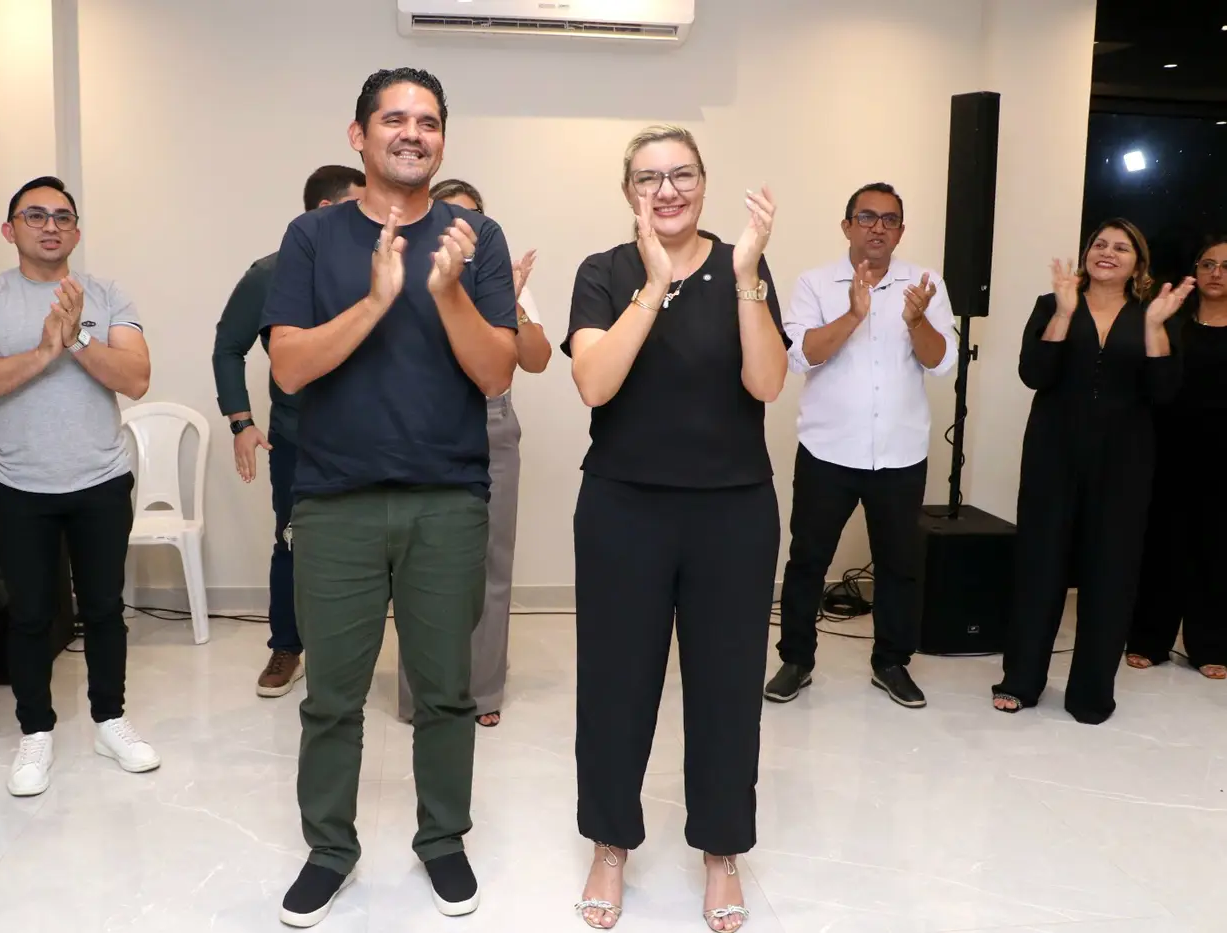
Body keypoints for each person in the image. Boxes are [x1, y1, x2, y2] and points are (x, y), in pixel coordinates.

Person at [261, 68, 517, 927]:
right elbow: (289, 367)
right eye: (395, 118)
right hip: (335, 500)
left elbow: (495, 372)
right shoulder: (312, 236)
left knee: (445, 691)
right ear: (359, 135)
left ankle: (442, 838)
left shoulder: (476, 237)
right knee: (332, 696)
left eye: (429, 121)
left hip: (447, 498)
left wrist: (445, 291)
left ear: (443, 137)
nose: (413, 132)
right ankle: (330, 849)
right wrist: (376, 302)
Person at [564, 125, 787, 933]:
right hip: (624, 508)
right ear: (628, 191)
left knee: (727, 687)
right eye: (649, 178)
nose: (667, 190)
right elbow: (594, 383)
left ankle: (723, 851)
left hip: (733, 509)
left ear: (704, 182)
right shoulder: (604, 272)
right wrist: (654, 285)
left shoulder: (744, 266)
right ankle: (610, 843)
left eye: (682, 174)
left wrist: (749, 278)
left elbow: (767, 381)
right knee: (616, 684)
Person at [0, 176, 158, 795]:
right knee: (32, 614)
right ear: (10, 229)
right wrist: (44, 350)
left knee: (105, 608)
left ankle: (110, 721)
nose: (50, 226)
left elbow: (136, 377)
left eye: (62, 217)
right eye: (34, 215)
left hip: (100, 478)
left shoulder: (106, 293)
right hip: (18, 483)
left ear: (77, 232)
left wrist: (79, 335)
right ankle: (35, 731)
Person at [992, 220, 1194, 723]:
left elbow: (1164, 392)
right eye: (1099, 244)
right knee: (1039, 566)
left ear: (1138, 263)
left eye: (1121, 247)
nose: (1107, 252)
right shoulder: (1052, 303)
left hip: (1125, 460)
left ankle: (1091, 692)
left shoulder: (1155, 313)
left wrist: (1154, 328)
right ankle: (1021, 680)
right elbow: (1034, 373)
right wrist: (1064, 314)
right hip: (1053, 454)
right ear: (1086, 254)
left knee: (1111, 572)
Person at [767, 182, 956, 709]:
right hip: (827, 450)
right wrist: (854, 314)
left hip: (899, 453)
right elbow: (800, 356)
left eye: (890, 219)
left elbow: (942, 362)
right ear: (847, 225)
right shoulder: (814, 283)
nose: (878, 227)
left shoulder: (924, 284)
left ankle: (891, 663)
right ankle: (796, 660)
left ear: (901, 230)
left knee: (898, 565)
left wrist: (916, 321)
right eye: (867, 217)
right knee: (808, 560)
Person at [394, 177, 552, 728]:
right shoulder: (409, 273)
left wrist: (512, 301)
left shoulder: (497, 274)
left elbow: (536, 360)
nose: (460, 231)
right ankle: (419, 695)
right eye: (448, 217)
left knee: (491, 564)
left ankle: (482, 691)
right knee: (418, 566)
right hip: (424, 423)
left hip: (491, 423)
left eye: (471, 221)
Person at [212, 164, 366, 699]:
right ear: (327, 211)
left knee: (370, 545)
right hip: (299, 440)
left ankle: (355, 651)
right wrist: (241, 422)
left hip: (369, 439)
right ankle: (287, 646)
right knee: (293, 541)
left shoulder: (374, 270)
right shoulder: (271, 272)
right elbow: (228, 347)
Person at [1126, 236, 1227, 680]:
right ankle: (1149, 639)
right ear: (1195, 270)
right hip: (1167, 448)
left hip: (1222, 456)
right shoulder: (1171, 323)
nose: (1216, 273)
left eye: (1226, 266)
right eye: (1208, 264)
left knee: (1217, 548)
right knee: (1161, 544)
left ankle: (1211, 645)